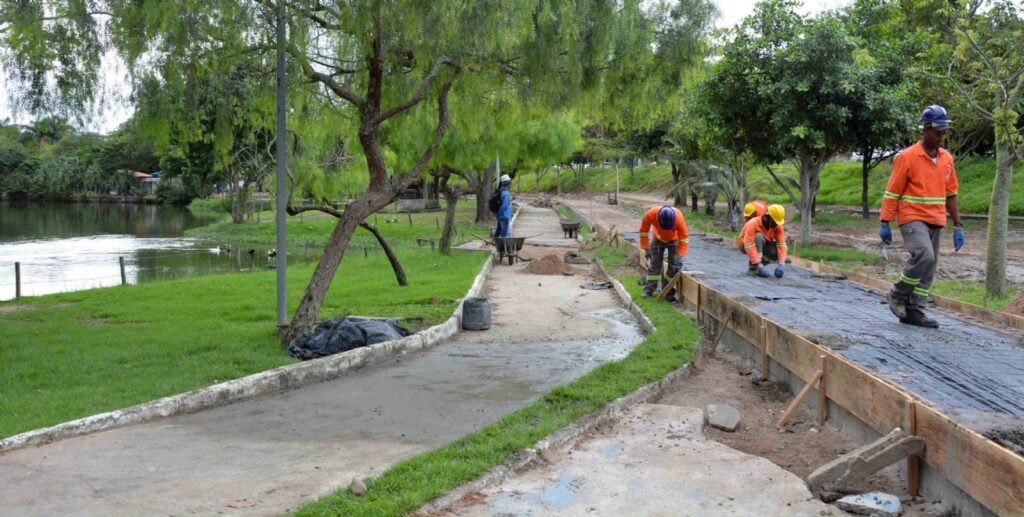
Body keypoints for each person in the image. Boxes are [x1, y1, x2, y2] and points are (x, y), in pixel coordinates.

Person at [880, 104, 963, 329]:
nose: (941, 136)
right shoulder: (907, 157)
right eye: (937, 131)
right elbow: (892, 191)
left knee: (929, 266)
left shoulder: (946, 159)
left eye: (944, 131)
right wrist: (885, 221)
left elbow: (951, 193)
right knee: (924, 255)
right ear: (925, 129)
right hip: (912, 216)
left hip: (935, 219)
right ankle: (897, 294)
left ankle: (915, 309)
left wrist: (957, 224)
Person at [639, 205, 689, 299]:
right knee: (655, 265)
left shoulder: (679, 217)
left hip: (674, 240)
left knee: (673, 266)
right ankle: (648, 290)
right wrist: (646, 248)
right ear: (658, 219)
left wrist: (680, 255)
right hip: (658, 239)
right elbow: (643, 232)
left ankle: (667, 291)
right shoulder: (650, 214)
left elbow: (684, 239)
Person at [740, 204, 788, 278]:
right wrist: (759, 265)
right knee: (758, 236)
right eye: (775, 222)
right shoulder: (753, 223)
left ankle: (761, 261)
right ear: (768, 217)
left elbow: (782, 245)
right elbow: (748, 245)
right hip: (745, 244)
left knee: (775, 250)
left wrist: (781, 264)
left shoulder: (777, 226)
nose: (776, 224)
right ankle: (754, 267)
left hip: (762, 243)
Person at [494, 174, 513, 239]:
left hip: (499, 216)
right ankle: (502, 247)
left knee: (498, 231)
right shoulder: (506, 193)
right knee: (505, 234)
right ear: (508, 183)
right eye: (510, 183)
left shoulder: (500, 191)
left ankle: (494, 242)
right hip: (505, 216)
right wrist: (500, 214)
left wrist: (497, 214)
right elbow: (504, 206)